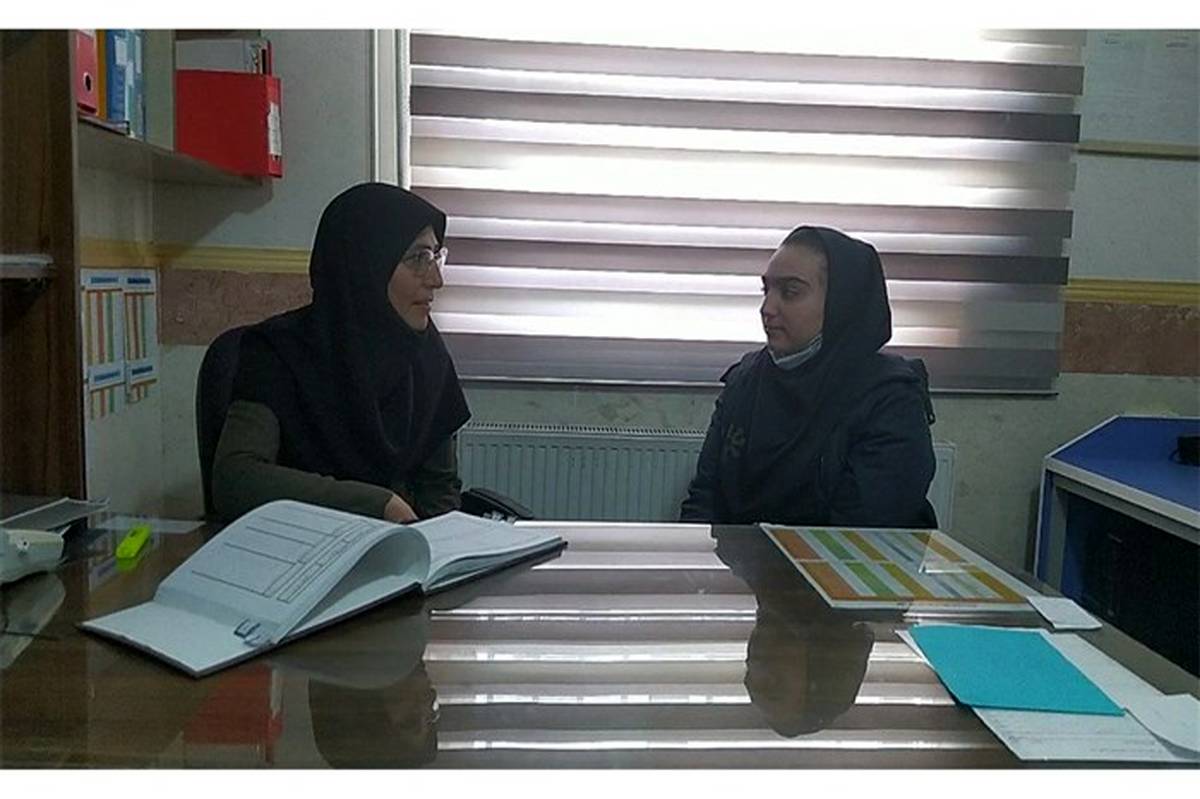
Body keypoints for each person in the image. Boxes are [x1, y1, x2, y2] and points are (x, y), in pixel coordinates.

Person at [212, 183, 469, 524]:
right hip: (300, 548)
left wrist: (435, 545)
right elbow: (236, 479)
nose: (436, 279)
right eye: (418, 258)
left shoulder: (425, 354)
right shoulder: (278, 352)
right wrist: (377, 503)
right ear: (365, 265)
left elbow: (440, 491)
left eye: (435, 256)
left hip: (401, 548)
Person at [680, 225, 936, 528]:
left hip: (842, 556)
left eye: (790, 292)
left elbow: (862, 528)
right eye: (766, 290)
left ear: (841, 302)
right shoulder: (745, 380)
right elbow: (704, 497)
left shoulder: (889, 398)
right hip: (744, 554)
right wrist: (698, 554)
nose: (767, 308)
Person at [712, 528, 873, 737]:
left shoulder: (739, 553)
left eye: (750, 677)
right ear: (826, 670)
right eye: (774, 684)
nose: (754, 665)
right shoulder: (870, 584)